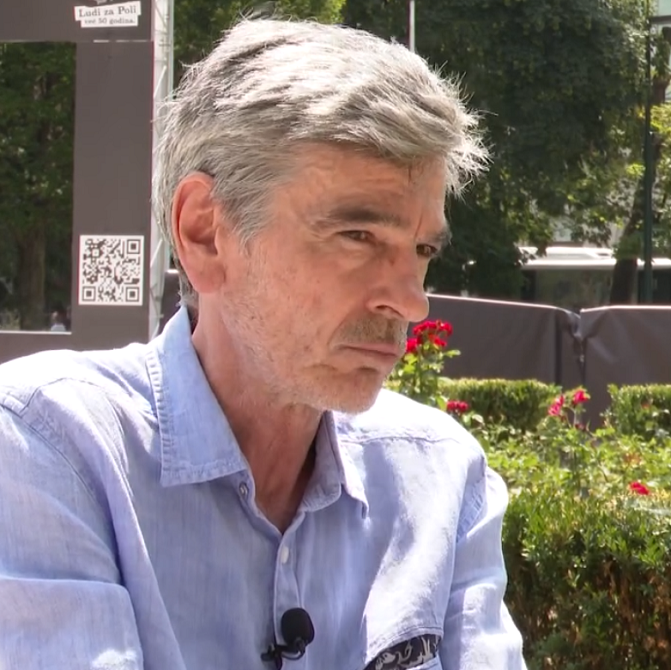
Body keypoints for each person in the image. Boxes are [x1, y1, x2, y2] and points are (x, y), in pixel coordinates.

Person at [0, 17, 526, 670]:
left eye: (421, 251)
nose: (411, 302)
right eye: (358, 238)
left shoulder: (441, 475)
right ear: (205, 233)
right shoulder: (48, 443)